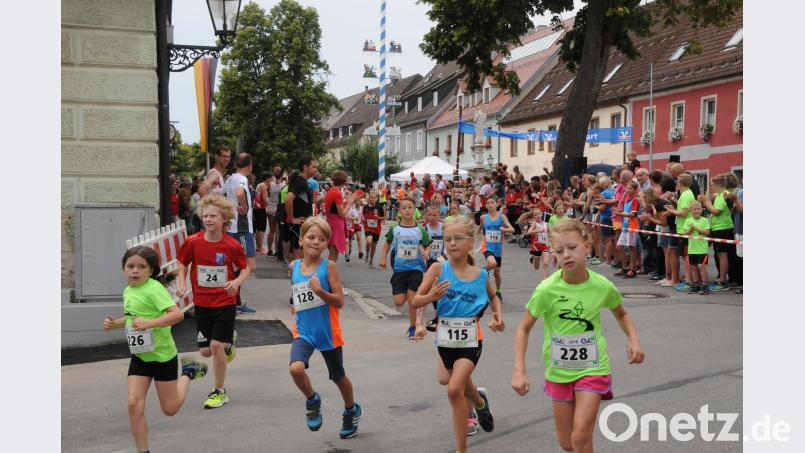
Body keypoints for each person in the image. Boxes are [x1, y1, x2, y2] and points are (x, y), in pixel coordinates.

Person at [511, 220, 645, 453]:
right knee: (568, 444)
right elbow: (523, 328)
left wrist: (634, 340)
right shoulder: (546, 289)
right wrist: (519, 370)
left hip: (593, 368)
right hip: (559, 371)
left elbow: (622, 314)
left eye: (572, 247)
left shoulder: (601, 286)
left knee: (581, 436)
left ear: (587, 246)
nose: (566, 255)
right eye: (559, 250)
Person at [411, 216, 504, 453]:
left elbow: (493, 297)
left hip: (471, 341)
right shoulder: (437, 269)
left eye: (458, 238)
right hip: (445, 340)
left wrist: (497, 317)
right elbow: (416, 300)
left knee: (454, 389)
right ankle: (479, 401)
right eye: (448, 239)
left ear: (471, 242)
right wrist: (430, 299)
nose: (452, 243)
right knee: (447, 380)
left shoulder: (480, 275)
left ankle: (461, 449)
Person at [103, 246, 208, 453]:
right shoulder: (128, 290)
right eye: (130, 266)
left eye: (141, 267)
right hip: (140, 356)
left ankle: (188, 372)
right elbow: (134, 317)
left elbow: (177, 315)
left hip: (162, 357)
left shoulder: (154, 289)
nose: (135, 270)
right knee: (134, 404)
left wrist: (149, 324)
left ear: (150, 271)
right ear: (124, 268)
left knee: (170, 409)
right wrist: (115, 324)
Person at [288, 217, 363, 439]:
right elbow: (297, 293)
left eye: (322, 239)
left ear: (326, 244)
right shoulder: (293, 267)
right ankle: (312, 399)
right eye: (311, 237)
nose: (316, 242)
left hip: (327, 332)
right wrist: (294, 304)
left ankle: (351, 409)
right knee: (296, 369)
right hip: (303, 330)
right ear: (301, 240)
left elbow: (339, 301)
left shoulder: (328, 267)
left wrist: (320, 291)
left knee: (338, 376)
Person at [176, 194, 251, 409]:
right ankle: (228, 344)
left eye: (213, 216)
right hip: (202, 303)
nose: (208, 219)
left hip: (225, 302)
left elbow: (246, 268)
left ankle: (219, 391)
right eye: (205, 216)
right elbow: (182, 263)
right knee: (206, 351)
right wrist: (181, 284)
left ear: (224, 219)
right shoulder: (193, 242)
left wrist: (236, 282)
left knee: (216, 345)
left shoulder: (231, 245)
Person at [379, 197, 432, 340]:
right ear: (399, 211)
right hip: (399, 270)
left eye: (410, 208)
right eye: (404, 208)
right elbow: (387, 243)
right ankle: (413, 325)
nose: (407, 210)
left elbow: (428, 244)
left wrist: (427, 252)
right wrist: (383, 257)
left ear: (414, 210)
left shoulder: (420, 230)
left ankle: (413, 327)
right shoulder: (394, 229)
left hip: (416, 269)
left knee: (411, 299)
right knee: (399, 302)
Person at [223, 153, 258, 315]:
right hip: (242, 229)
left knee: (235, 265)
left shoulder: (231, 178)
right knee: (248, 266)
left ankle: (234, 300)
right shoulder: (241, 179)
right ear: (250, 165)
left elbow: (218, 193)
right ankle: (232, 299)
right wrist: (243, 205)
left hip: (233, 227)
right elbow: (239, 192)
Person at [477, 195, 515, 302]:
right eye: (488, 203)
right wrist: (471, 237)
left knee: (497, 273)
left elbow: (512, 229)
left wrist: (504, 229)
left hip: (498, 247)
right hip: (486, 246)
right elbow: (480, 228)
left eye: (492, 202)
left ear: (497, 204)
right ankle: (484, 270)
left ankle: (498, 291)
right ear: (486, 205)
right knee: (492, 264)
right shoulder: (483, 217)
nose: (490, 204)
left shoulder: (502, 217)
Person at [699, 173, 733, 291]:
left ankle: (723, 281)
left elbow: (716, 211)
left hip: (722, 228)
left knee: (722, 255)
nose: (710, 187)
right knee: (719, 255)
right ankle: (721, 279)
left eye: (712, 185)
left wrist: (706, 202)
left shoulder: (724, 195)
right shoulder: (719, 195)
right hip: (718, 227)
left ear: (719, 185)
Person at [663, 173, 695, 292]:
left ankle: (689, 281)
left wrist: (672, 211)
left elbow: (684, 213)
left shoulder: (686, 195)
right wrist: (673, 205)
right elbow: (683, 210)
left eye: (677, 181)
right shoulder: (686, 194)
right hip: (683, 228)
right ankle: (688, 280)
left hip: (684, 229)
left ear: (680, 183)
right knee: (685, 256)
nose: (676, 183)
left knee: (686, 257)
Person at [285, 157, 319, 261]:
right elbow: (288, 199)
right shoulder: (301, 182)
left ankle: (295, 270)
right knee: (299, 257)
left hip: (302, 223)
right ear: (305, 167)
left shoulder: (302, 181)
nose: (316, 170)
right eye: (313, 167)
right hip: (300, 224)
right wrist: (291, 218)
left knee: (296, 254)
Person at [611, 180, 641, 278]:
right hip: (625, 226)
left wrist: (619, 213)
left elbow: (633, 215)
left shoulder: (635, 200)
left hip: (632, 226)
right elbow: (624, 211)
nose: (627, 190)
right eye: (627, 188)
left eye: (630, 188)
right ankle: (624, 268)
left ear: (635, 190)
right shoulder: (626, 200)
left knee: (632, 248)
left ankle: (632, 269)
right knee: (619, 247)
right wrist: (618, 211)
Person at [682, 201, 711, 295]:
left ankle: (705, 285)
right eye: (694, 209)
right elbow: (685, 234)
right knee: (694, 267)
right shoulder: (688, 221)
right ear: (691, 211)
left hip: (702, 249)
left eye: (698, 209)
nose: (697, 211)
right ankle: (696, 284)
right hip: (692, 249)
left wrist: (697, 229)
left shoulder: (705, 220)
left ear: (702, 209)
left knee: (701, 266)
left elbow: (707, 232)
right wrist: (691, 229)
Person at [324, 170, 350, 263]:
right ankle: (329, 271)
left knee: (332, 252)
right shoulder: (337, 192)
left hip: (330, 221)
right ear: (344, 182)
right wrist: (349, 204)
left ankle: (329, 270)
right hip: (336, 224)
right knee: (333, 255)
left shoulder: (331, 191)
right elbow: (341, 214)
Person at [524, 207, 553, 280]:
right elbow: (529, 232)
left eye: (539, 214)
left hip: (545, 246)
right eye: (536, 215)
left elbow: (551, 234)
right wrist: (538, 230)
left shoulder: (546, 224)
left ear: (542, 214)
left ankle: (546, 281)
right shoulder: (535, 224)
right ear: (533, 217)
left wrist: (551, 240)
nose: (538, 216)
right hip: (536, 247)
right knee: (536, 267)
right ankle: (533, 258)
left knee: (546, 263)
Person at [362, 190, 385, 268]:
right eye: (371, 197)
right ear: (369, 198)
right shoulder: (366, 207)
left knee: (373, 246)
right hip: (368, 227)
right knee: (369, 241)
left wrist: (378, 218)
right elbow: (363, 215)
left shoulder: (379, 207)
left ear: (376, 198)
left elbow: (383, 217)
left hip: (376, 229)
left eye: (374, 198)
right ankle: (367, 254)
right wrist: (363, 218)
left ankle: (371, 260)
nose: (372, 199)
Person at [266, 166, 285, 257]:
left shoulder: (270, 184)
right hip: (278, 210)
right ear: (282, 175)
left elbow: (268, 195)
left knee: (271, 231)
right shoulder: (284, 185)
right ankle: (277, 251)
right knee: (278, 232)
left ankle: (269, 250)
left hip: (270, 209)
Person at [254, 173, 270, 255]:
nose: (272, 180)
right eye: (271, 178)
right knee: (262, 229)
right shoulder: (263, 185)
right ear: (267, 178)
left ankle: (259, 247)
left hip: (257, 208)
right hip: (261, 209)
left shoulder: (259, 185)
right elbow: (264, 198)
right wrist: (269, 205)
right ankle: (260, 248)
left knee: (259, 229)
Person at [345, 198, 363, 262]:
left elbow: (358, 217)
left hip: (356, 225)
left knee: (359, 237)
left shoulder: (360, 208)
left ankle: (360, 251)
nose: (357, 203)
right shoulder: (349, 208)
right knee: (348, 241)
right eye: (356, 201)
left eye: (359, 201)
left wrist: (362, 220)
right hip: (348, 226)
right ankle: (348, 251)